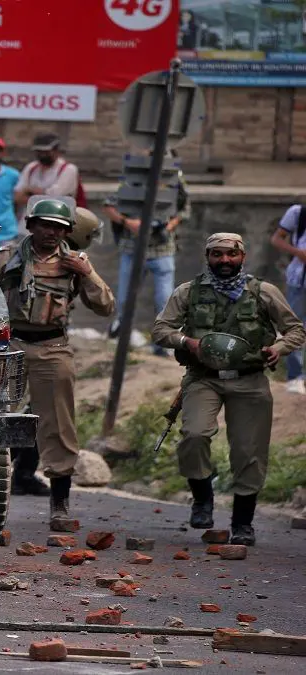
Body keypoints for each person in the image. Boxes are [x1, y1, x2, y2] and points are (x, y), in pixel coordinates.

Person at [151, 233, 305, 546]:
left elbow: (296, 329)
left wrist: (280, 348)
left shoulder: (263, 292)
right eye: (217, 254)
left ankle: (243, 524)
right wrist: (186, 342)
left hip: (249, 379)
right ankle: (202, 500)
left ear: (242, 257)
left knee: (249, 452)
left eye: (231, 255)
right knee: (194, 435)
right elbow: (160, 330)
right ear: (207, 256)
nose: (224, 261)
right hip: (203, 376)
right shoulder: (189, 292)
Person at [0, 198, 115, 530]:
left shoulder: (76, 263)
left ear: (67, 231)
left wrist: (87, 275)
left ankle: (59, 505)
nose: (51, 233)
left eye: (59, 228)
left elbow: (105, 306)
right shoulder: (6, 258)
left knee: (59, 425)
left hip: (52, 346)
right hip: (11, 344)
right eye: (45, 225)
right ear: (31, 226)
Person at [103, 157, 191, 355]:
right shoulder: (131, 182)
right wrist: (128, 222)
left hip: (162, 249)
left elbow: (185, 209)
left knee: (164, 301)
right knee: (125, 300)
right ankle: (122, 344)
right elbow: (108, 206)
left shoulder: (175, 182)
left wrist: (169, 226)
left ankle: (162, 346)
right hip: (133, 249)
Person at [269, 203, 306, 393]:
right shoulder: (298, 213)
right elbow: (277, 239)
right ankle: (295, 377)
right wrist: (298, 253)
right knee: (295, 328)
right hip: (299, 279)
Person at [13, 132, 82, 229]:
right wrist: (41, 194)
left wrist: (29, 191)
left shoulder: (68, 169)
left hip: (57, 227)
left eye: (46, 152)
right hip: (27, 226)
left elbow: (54, 198)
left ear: (56, 151)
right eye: (39, 152)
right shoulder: (31, 168)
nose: (42, 155)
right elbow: (17, 197)